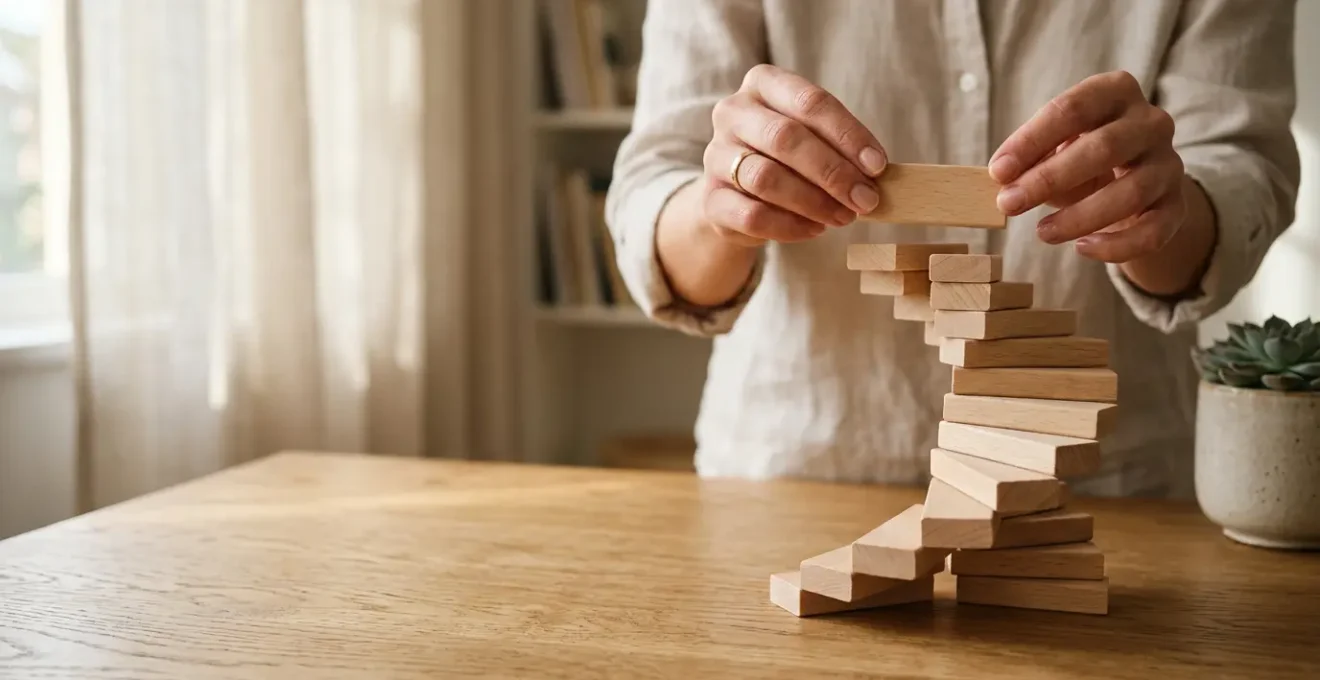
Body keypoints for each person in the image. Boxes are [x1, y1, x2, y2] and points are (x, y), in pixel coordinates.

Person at [604, 1, 1299, 498]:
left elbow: (1242, 167)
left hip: (1101, 479)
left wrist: (1163, 212)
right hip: (793, 478)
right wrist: (722, 210)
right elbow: (653, 186)